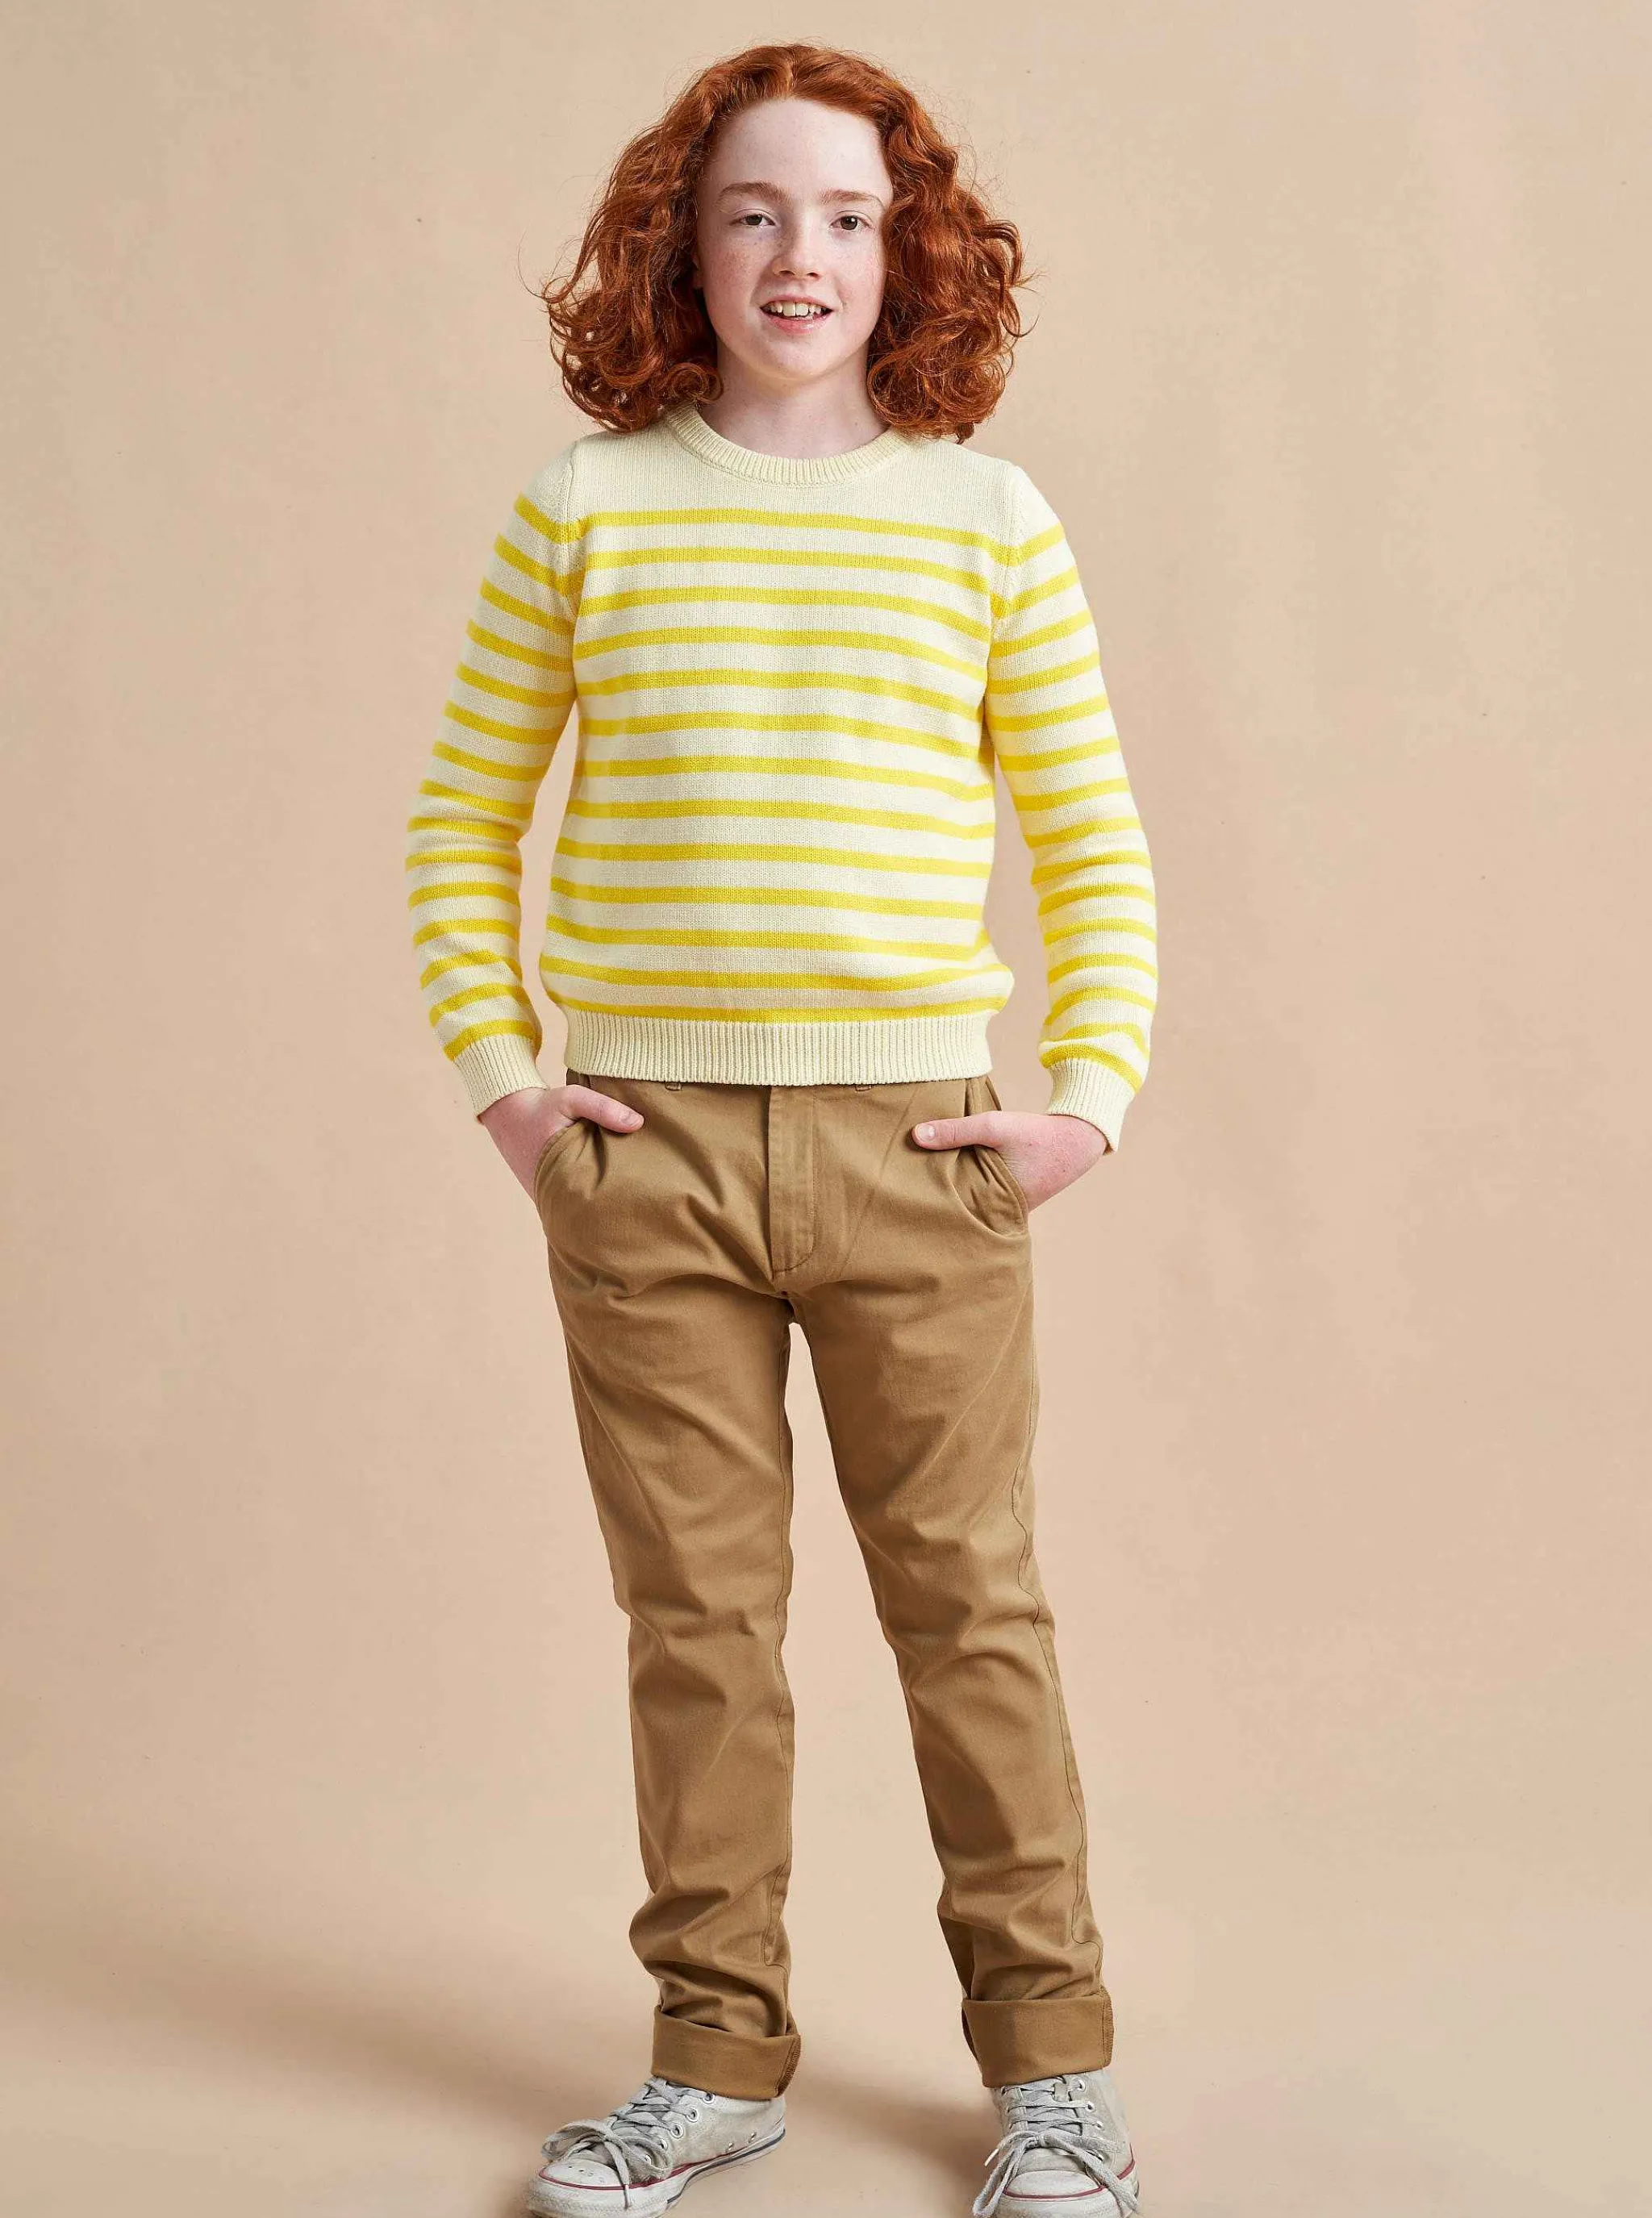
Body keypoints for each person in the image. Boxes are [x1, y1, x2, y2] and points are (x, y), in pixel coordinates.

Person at [403, 41, 1155, 2218]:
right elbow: (460, 824)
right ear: (684, 243)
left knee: (972, 1613)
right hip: (650, 1158)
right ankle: (712, 2059)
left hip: (922, 1154)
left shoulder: (987, 521)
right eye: (751, 211)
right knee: (700, 1632)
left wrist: (1085, 1102)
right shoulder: (586, 506)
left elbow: (1093, 843)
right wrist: (514, 1092)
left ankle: (1057, 2080)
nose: (798, 254)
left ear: (911, 254)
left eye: (845, 215)